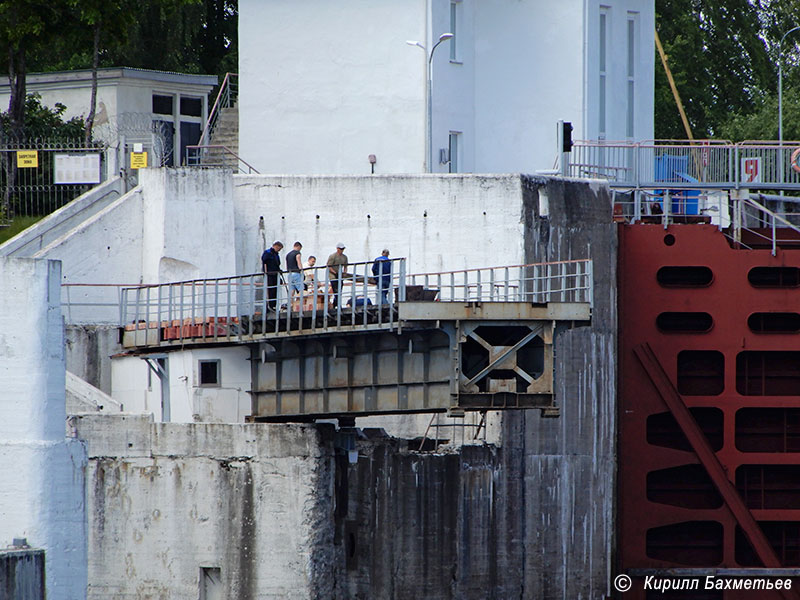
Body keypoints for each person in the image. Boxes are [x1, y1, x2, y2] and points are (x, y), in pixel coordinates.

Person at [261, 241, 283, 312]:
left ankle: (273, 306)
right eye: (279, 249)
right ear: (276, 246)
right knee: (270, 290)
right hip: (269, 274)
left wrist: (279, 270)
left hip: (275, 274)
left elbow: (277, 264)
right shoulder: (267, 252)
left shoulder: (276, 254)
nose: (279, 250)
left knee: (275, 290)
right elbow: (264, 260)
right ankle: (269, 306)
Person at [326, 243, 348, 307]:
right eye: (341, 249)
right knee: (335, 289)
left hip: (339, 274)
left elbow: (345, 266)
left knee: (340, 289)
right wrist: (335, 273)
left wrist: (344, 273)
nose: (342, 250)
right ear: (337, 249)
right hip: (332, 275)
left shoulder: (344, 257)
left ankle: (335, 304)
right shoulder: (333, 256)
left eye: (343, 249)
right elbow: (329, 266)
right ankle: (338, 304)